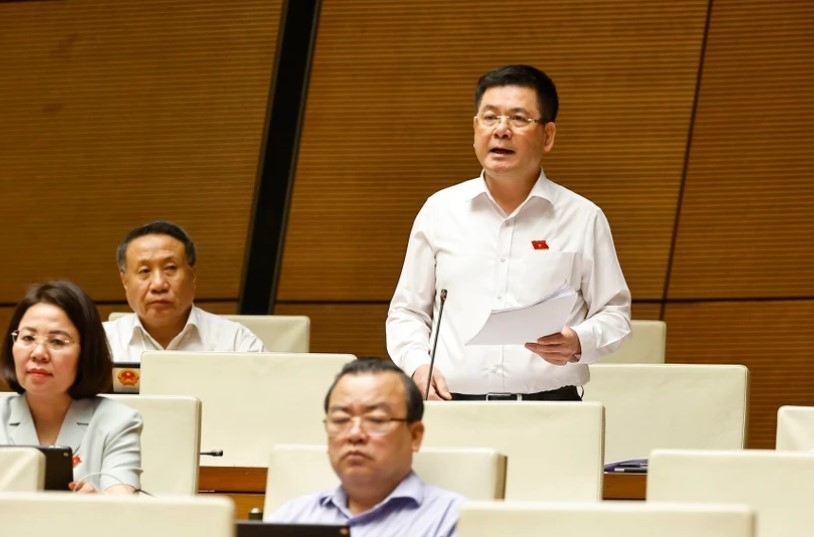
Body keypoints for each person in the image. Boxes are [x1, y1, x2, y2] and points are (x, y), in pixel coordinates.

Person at [386, 64, 631, 401]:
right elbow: (407, 312)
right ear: (475, 128)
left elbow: (615, 314)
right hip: (451, 405)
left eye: (518, 118)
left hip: (552, 407)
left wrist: (579, 341)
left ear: (548, 136)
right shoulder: (439, 211)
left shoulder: (582, 217)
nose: (501, 130)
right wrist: (417, 365)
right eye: (489, 117)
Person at [265, 358, 464, 537]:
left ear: (414, 436)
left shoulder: (456, 521)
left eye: (376, 420)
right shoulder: (291, 519)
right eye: (341, 419)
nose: (355, 434)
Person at [0, 280, 142, 493]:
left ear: (86, 352)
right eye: (28, 337)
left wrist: (99, 501)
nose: (38, 353)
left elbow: (122, 506)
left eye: (57, 341)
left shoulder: (118, 421)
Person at [104, 220, 266, 362]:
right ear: (125, 281)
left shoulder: (236, 342)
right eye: (145, 271)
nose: (158, 284)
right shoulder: (101, 343)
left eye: (170, 268)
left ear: (192, 275)